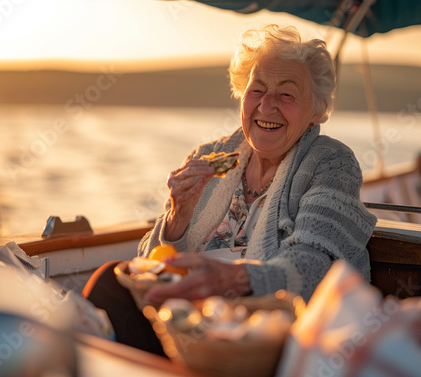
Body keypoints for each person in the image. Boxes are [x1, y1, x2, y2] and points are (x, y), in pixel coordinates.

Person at [83, 24, 377, 354]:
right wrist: (178, 219)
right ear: (242, 95)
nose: (267, 105)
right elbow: (150, 265)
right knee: (110, 283)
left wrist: (237, 281)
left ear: (317, 111)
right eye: (257, 90)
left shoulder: (330, 162)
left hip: (265, 334)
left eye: (287, 94)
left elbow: (318, 265)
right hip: (190, 321)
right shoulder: (214, 158)